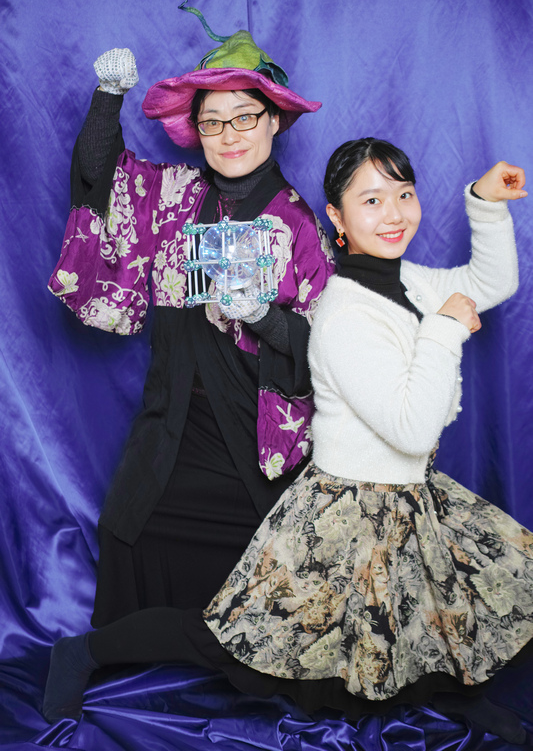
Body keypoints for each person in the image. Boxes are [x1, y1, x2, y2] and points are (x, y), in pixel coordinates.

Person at [44, 139, 532, 745]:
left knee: (432, 607)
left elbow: (491, 281)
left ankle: (462, 695)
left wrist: (485, 202)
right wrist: (445, 330)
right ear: (336, 219)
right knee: (238, 643)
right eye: (372, 200)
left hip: (407, 499)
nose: (393, 213)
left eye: (404, 195)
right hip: (343, 511)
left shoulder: (411, 283)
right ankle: (84, 652)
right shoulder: (344, 313)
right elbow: (412, 428)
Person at [47, 7, 334, 632]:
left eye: (245, 117)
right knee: (126, 531)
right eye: (212, 122)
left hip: (254, 428)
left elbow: (328, 350)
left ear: (274, 120)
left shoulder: (299, 225)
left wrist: (264, 318)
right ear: (196, 130)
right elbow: (101, 180)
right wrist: (107, 99)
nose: (229, 135)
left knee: (274, 571)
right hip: (173, 408)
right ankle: (122, 647)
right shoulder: (174, 196)